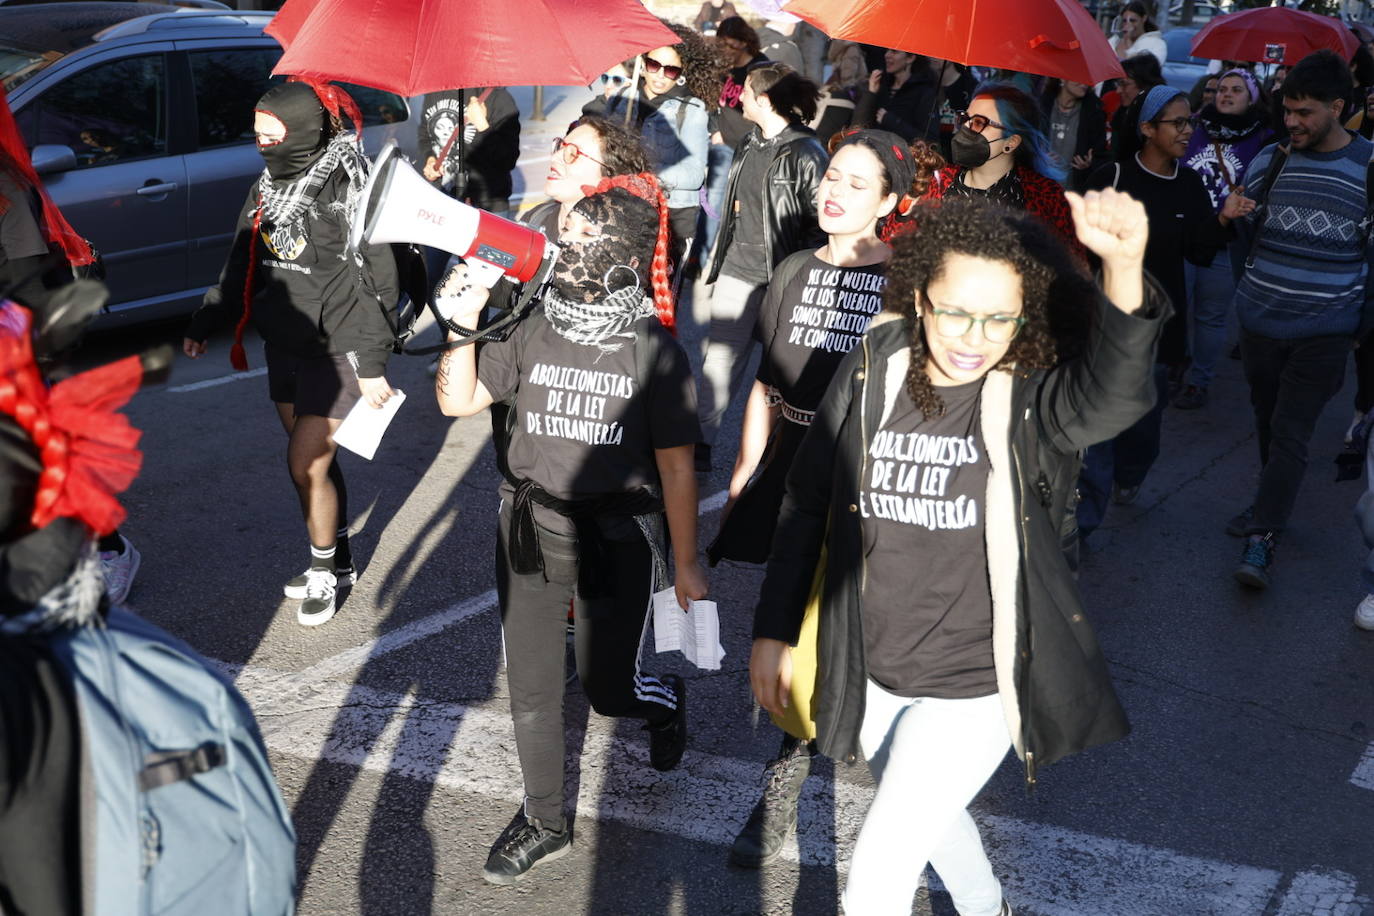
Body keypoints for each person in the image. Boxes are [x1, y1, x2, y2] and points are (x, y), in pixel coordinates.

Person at [749, 190, 1160, 916]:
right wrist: (773, 631)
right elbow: (808, 503)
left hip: (974, 687)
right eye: (955, 312)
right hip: (868, 666)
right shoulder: (874, 366)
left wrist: (1124, 265)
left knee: (876, 876)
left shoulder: (1028, 399)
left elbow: (1116, 396)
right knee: (927, 817)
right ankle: (986, 905)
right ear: (918, 296)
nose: (975, 337)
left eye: (1000, 318)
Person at [431, 174, 704, 885]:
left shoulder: (654, 350)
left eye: (582, 235)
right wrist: (462, 324)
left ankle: (663, 699)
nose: (563, 244)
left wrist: (684, 563)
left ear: (622, 255)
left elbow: (677, 471)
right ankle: (544, 821)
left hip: (616, 536)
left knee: (608, 688)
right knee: (531, 686)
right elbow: (458, 402)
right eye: (565, 232)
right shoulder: (531, 321)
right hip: (528, 525)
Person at [713, 129, 912, 868]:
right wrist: (746, 467)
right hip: (790, 462)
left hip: (862, 473)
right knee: (789, 612)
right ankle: (790, 765)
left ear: (891, 202)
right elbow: (767, 381)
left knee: (830, 620)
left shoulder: (905, 281)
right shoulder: (794, 267)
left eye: (859, 183)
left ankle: (792, 770)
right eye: (833, 175)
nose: (835, 191)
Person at [183, 80, 398, 627]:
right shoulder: (266, 186)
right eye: (257, 136)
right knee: (315, 469)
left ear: (302, 130)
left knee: (306, 462)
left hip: (339, 346)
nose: (262, 145)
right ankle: (340, 557)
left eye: (271, 135)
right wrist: (210, 315)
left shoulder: (350, 188)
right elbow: (240, 256)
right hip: (286, 343)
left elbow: (381, 280)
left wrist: (373, 362)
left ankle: (322, 572)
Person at [1224, 50, 1374, 589]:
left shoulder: (1369, 169)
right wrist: (1231, 216)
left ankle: (1262, 537)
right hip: (1261, 320)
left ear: (1337, 107)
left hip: (1326, 330)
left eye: (1305, 112)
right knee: (1267, 422)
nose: (1292, 122)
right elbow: (1244, 236)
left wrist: (1359, 326)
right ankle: (1269, 505)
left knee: (1291, 431)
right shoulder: (1272, 159)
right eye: (1287, 110)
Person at [1077, 86, 1245, 531]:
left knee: (1142, 431)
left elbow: (1197, 248)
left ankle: (1129, 476)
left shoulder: (1188, 184)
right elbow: (1077, 245)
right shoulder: (1110, 176)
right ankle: (1082, 526)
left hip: (1155, 331)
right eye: (1177, 122)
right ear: (1148, 128)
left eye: (1190, 122)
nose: (1187, 131)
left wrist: (1224, 219)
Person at [698, 64, 826, 469]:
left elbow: (818, 226)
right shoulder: (749, 142)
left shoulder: (808, 153)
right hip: (737, 270)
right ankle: (698, 449)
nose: (740, 98)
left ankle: (773, 459)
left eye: (747, 92)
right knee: (716, 364)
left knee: (779, 375)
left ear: (765, 100)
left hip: (782, 280)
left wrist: (802, 279)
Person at [1175, 68, 1274, 410]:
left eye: (1236, 90)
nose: (1226, 95)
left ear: (1251, 98)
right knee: (1175, 307)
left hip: (1226, 239)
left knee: (1210, 315)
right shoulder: (1196, 127)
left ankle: (1198, 382)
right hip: (1186, 232)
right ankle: (1176, 366)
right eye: (1221, 89)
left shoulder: (1265, 138)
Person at [603, 22, 720, 272]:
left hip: (671, 216)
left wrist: (647, 174)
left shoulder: (690, 110)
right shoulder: (623, 100)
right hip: (626, 207)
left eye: (671, 71)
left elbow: (694, 173)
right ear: (643, 64)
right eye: (654, 65)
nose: (659, 75)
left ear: (681, 74)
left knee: (658, 297)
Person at [927, 83, 1086, 262]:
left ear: (1011, 142)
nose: (965, 127)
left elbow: (1073, 270)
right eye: (965, 118)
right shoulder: (936, 183)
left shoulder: (1046, 196)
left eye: (979, 122)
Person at [701, 17, 769, 261]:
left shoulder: (760, 69)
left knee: (743, 204)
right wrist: (715, 129)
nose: (726, 51)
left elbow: (765, 113)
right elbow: (714, 101)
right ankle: (701, 257)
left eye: (731, 45)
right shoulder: (726, 67)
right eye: (722, 45)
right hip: (722, 143)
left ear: (744, 42)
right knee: (712, 200)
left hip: (747, 146)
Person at [418, 86, 521, 216]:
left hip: (487, 205)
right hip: (442, 199)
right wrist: (430, 158)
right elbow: (424, 135)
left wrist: (482, 125)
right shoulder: (434, 93)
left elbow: (508, 159)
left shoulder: (497, 98)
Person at [854, 49, 940, 143]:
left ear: (910, 58)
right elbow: (857, 126)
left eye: (894, 52)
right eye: (887, 51)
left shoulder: (924, 92)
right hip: (874, 151)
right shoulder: (881, 85)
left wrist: (892, 121)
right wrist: (870, 93)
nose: (887, 55)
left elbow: (929, 139)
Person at [1040, 78, 1108, 191]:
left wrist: (1089, 164)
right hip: (1039, 187)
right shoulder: (1041, 104)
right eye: (1079, 77)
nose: (1085, 83)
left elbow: (1101, 153)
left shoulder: (1093, 111)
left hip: (1072, 191)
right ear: (1062, 78)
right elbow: (1026, 141)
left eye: (1087, 78)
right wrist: (1038, 155)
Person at [1109, 54, 1165, 161]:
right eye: (1118, 84)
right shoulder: (1122, 114)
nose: (1118, 91)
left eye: (1124, 84)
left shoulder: (1163, 120)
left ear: (1145, 84)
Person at [1110, 0, 1167, 67]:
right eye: (1124, 21)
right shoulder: (1113, 42)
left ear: (1143, 18)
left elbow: (1149, 70)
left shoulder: (1157, 44)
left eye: (1133, 21)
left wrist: (1129, 46)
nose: (1128, 25)